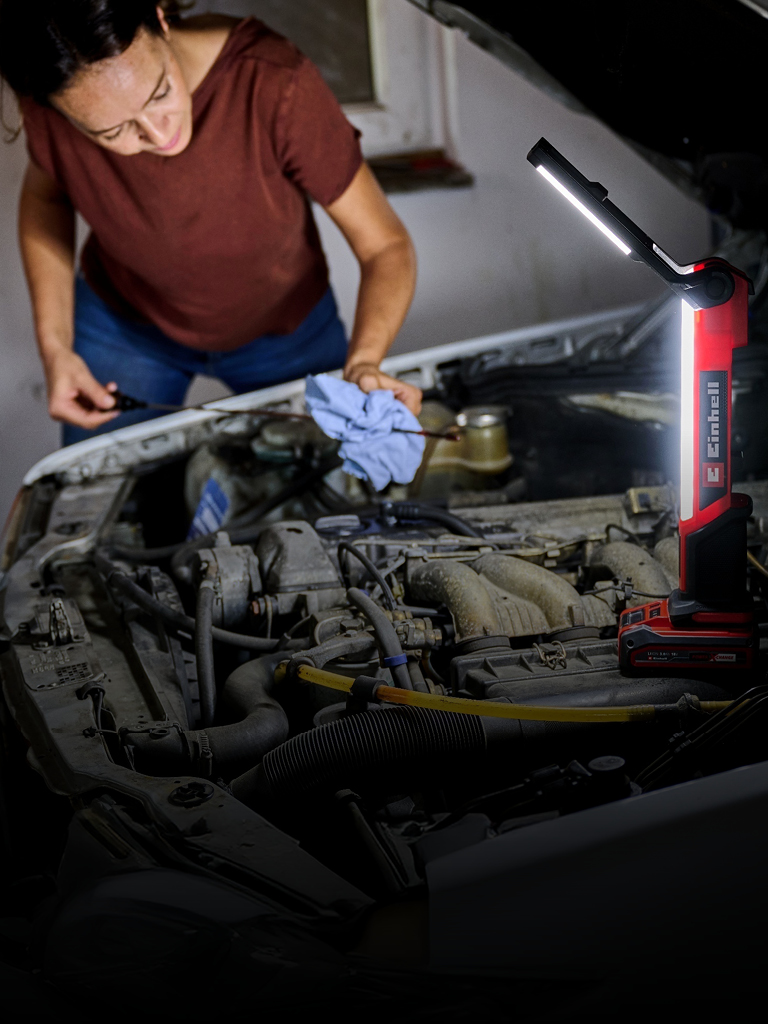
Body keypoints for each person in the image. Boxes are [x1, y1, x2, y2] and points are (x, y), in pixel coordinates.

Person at [0, 1, 421, 446]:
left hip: (284, 328)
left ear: (160, 19)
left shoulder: (274, 80)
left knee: (334, 477)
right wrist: (56, 348)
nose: (161, 137)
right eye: (112, 133)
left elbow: (386, 247)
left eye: (160, 92)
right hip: (125, 327)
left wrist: (365, 362)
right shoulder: (50, 101)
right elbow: (46, 198)